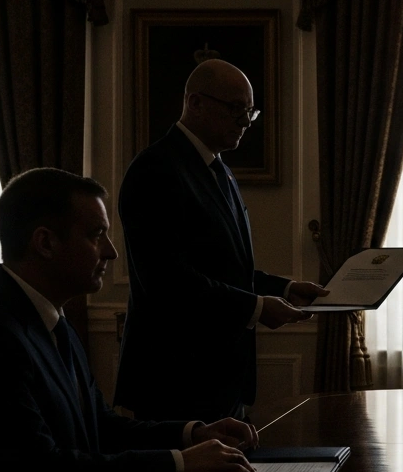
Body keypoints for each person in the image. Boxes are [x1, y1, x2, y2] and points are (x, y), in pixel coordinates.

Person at [0, 169, 262, 472]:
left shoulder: (47, 318)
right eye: (97, 235)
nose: (112, 252)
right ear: (45, 243)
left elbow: (98, 427)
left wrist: (190, 434)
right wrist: (178, 465)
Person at [115, 59, 327, 422]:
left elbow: (225, 268)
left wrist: (286, 288)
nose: (245, 122)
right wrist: (258, 308)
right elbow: (167, 280)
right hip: (176, 380)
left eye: (250, 112)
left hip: (223, 378)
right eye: (236, 109)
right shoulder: (156, 169)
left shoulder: (220, 171)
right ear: (195, 103)